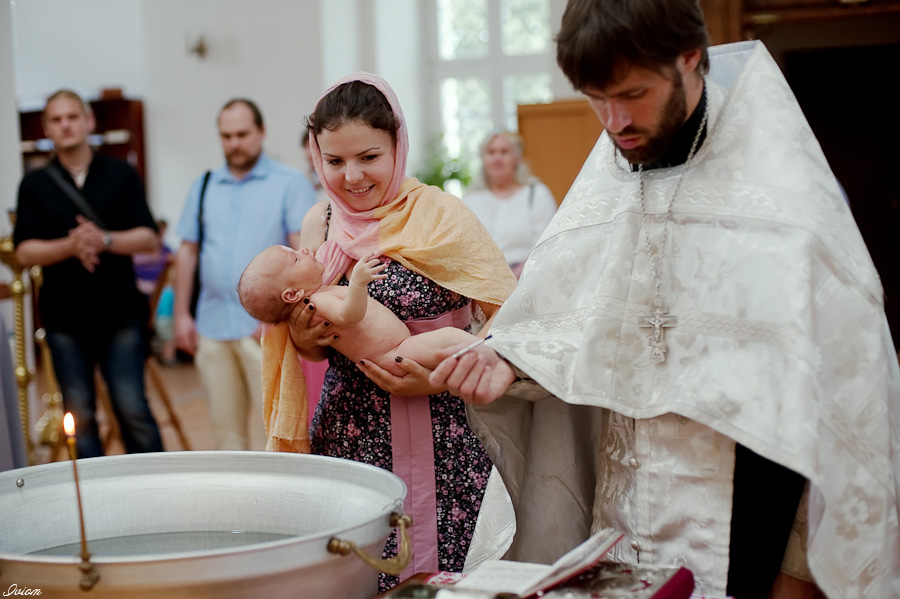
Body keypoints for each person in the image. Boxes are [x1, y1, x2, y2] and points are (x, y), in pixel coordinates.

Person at [430, 2, 900, 598]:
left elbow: (835, 392)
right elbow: (568, 311)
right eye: (596, 97)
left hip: (746, 518)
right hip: (622, 512)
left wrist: (799, 570)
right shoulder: (611, 173)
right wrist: (510, 357)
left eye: (632, 93)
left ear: (691, 59)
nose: (615, 121)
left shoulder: (785, 198)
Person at [267, 72, 516, 591]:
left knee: (449, 575)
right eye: (334, 161)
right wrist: (309, 337)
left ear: (396, 145)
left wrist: (439, 377)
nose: (351, 177)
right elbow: (306, 339)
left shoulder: (442, 215)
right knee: (360, 570)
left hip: (447, 425)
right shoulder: (321, 223)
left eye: (369, 157)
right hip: (354, 430)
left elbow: (509, 320)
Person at [14, 89, 165, 459]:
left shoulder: (120, 173)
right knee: (79, 415)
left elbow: (148, 238)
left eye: (72, 117)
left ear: (88, 122)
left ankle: (156, 488)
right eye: (56, 119)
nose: (65, 125)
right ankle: (92, 506)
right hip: (65, 318)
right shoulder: (34, 183)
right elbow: (23, 251)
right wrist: (69, 246)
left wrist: (104, 239)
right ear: (47, 127)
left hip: (120, 314)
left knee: (132, 409)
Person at [174, 98, 316, 450]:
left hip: (265, 330)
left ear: (261, 132)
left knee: (280, 432)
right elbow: (188, 252)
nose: (234, 143)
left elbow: (304, 258)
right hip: (212, 325)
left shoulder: (289, 184)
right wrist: (181, 316)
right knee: (226, 436)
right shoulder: (204, 185)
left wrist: (278, 315)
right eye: (226, 136)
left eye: (242, 134)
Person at [239, 245, 480, 374]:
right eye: (294, 259)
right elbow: (349, 315)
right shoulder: (319, 303)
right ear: (292, 295)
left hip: (399, 349)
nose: (303, 250)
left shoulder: (320, 294)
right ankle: (493, 356)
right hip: (395, 354)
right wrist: (357, 282)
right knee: (453, 340)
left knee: (451, 348)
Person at [463, 130, 557, 278]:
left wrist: (516, 276)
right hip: (483, 280)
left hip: (529, 277)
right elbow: (465, 248)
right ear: (483, 158)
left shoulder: (537, 194)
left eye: (504, 151)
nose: (497, 158)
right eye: (491, 152)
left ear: (516, 158)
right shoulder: (471, 199)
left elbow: (548, 242)